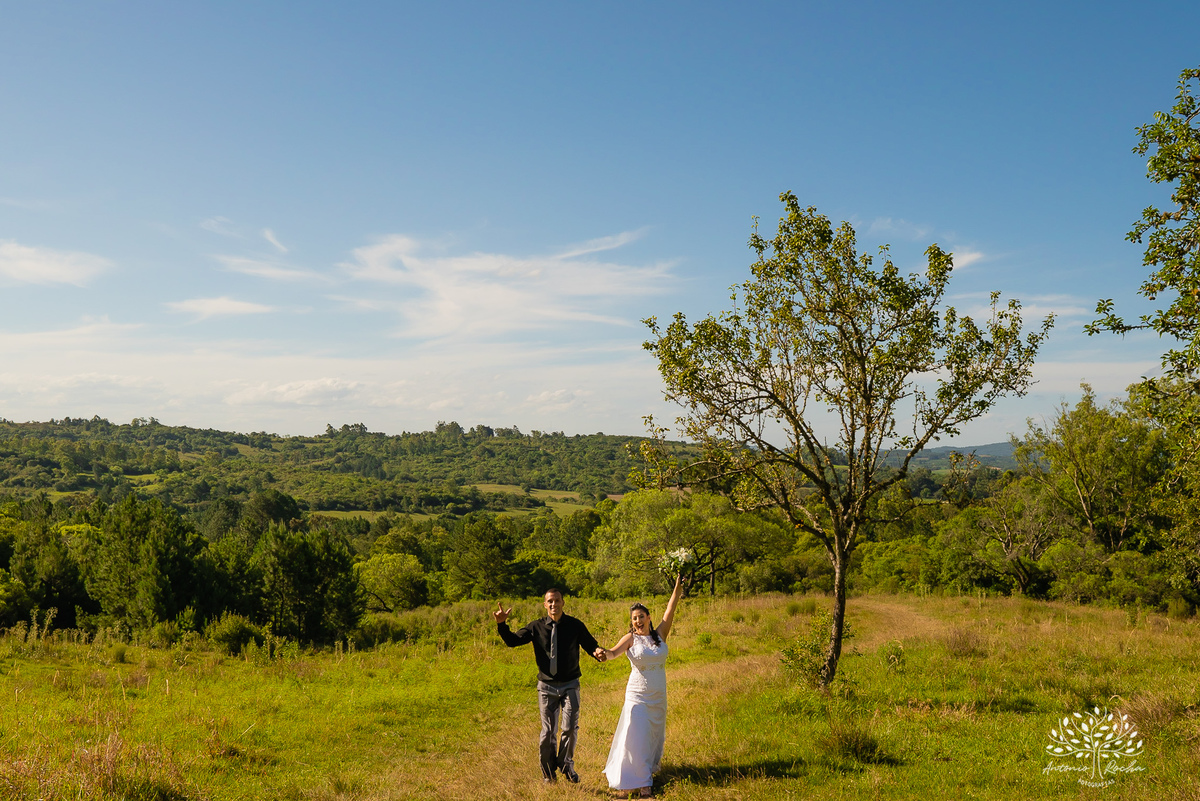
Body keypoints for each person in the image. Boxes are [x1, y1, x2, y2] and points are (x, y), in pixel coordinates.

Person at [494, 588, 607, 784]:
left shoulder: (575, 625)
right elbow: (513, 641)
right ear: (545, 605)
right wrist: (502, 624)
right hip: (546, 686)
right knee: (548, 732)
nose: (554, 604)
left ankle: (565, 764)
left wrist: (597, 651)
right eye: (550, 601)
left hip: (570, 684)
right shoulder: (535, 627)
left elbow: (590, 644)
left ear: (563, 602)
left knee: (570, 728)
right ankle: (548, 774)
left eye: (557, 600)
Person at [598, 573, 685, 798]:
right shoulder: (630, 639)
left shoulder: (660, 635)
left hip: (658, 696)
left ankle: (644, 773)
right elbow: (613, 653)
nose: (638, 621)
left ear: (648, 617)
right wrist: (602, 654)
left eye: (641, 617)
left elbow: (671, 609)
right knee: (634, 734)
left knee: (651, 737)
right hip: (637, 695)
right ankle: (639, 784)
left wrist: (677, 587)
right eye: (634, 618)